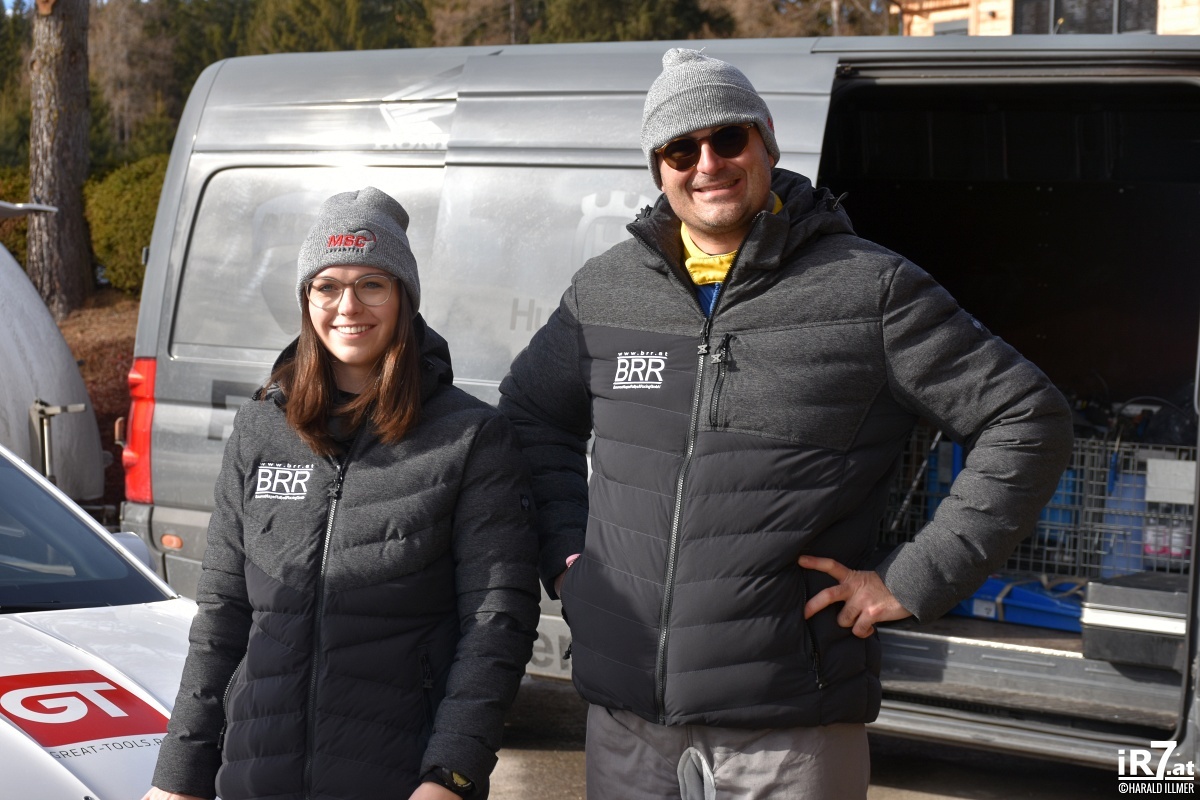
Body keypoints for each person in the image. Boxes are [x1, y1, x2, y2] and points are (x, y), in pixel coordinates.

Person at [498, 49, 1074, 799]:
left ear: (767, 141)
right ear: (658, 169)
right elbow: (529, 417)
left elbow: (1027, 417)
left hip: (790, 727)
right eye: (680, 149)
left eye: (727, 138)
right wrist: (568, 559)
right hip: (625, 720)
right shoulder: (605, 290)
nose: (708, 164)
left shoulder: (869, 288)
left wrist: (914, 577)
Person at [143, 187, 540, 800]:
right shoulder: (259, 428)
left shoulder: (471, 437)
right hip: (255, 775)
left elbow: (496, 621)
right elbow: (221, 616)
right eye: (326, 286)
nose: (347, 306)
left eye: (371, 284)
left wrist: (451, 776)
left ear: (404, 296)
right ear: (307, 301)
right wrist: (179, 777)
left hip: (400, 779)